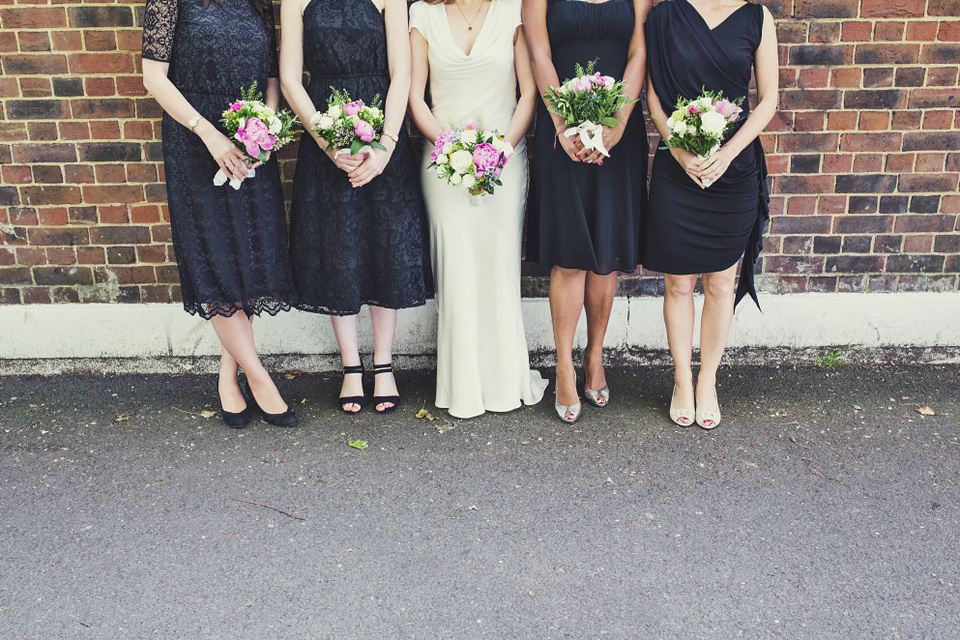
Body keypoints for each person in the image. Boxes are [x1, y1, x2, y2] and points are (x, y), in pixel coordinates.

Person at [142, 0, 299, 429]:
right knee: (214, 257)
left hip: (249, 145)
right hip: (195, 141)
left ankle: (229, 375)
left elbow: (270, 79)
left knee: (247, 257)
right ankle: (261, 378)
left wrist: (264, 128)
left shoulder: (259, 5)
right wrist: (209, 134)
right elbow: (153, 77)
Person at [280, 0, 429, 414]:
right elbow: (292, 79)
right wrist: (328, 143)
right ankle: (350, 366)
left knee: (385, 242)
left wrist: (386, 145)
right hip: (325, 131)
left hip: (383, 130)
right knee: (337, 246)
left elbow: (402, 73)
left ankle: (384, 364)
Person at [408, 0, 547, 418]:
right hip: (443, 160)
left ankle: (505, 382)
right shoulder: (424, 15)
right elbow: (416, 97)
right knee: (455, 267)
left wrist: (498, 151)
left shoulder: (511, 10)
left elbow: (528, 93)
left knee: (497, 264)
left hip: (504, 158)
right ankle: (462, 386)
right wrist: (451, 150)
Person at [643, 0, 777, 429]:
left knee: (720, 284)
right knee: (678, 284)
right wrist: (680, 152)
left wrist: (728, 154)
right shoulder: (664, 16)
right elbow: (654, 98)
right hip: (678, 168)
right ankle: (682, 379)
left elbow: (768, 99)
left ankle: (708, 381)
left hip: (733, 169)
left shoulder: (757, 17)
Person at [523, 0, 652, 424]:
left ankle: (594, 356)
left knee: (606, 251)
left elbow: (638, 53)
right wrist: (564, 124)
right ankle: (563, 364)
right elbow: (539, 51)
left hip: (618, 129)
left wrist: (618, 121)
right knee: (569, 252)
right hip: (562, 133)